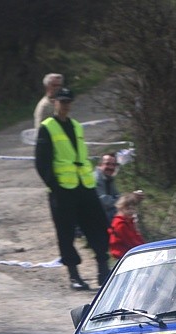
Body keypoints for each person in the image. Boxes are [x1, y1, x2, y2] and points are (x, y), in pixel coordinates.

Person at [35, 88, 111, 291]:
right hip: (62, 189)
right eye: (62, 102)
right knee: (66, 232)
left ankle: (103, 271)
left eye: (68, 102)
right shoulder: (47, 127)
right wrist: (54, 185)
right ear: (55, 103)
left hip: (84, 185)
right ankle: (74, 275)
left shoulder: (76, 125)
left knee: (97, 226)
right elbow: (41, 162)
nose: (66, 105)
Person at [108, 192, 145, 259]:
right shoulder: (121, 224)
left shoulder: (129, 221)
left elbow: (136, 237)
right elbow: (131, 242)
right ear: (121, 208)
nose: (131, 211)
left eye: (133, 209)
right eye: (128, 209)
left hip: (129, 253)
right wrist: (144, 249)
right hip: (123, 255)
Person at [94, 153, 121, 221]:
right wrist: (122, 201)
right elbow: (104, 202)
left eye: (113, 165)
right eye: (107, 164)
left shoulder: (108, 178)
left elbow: (116, 195)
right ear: (100, 165)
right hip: (93, 217)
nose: (111, 167)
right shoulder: (95, 178)